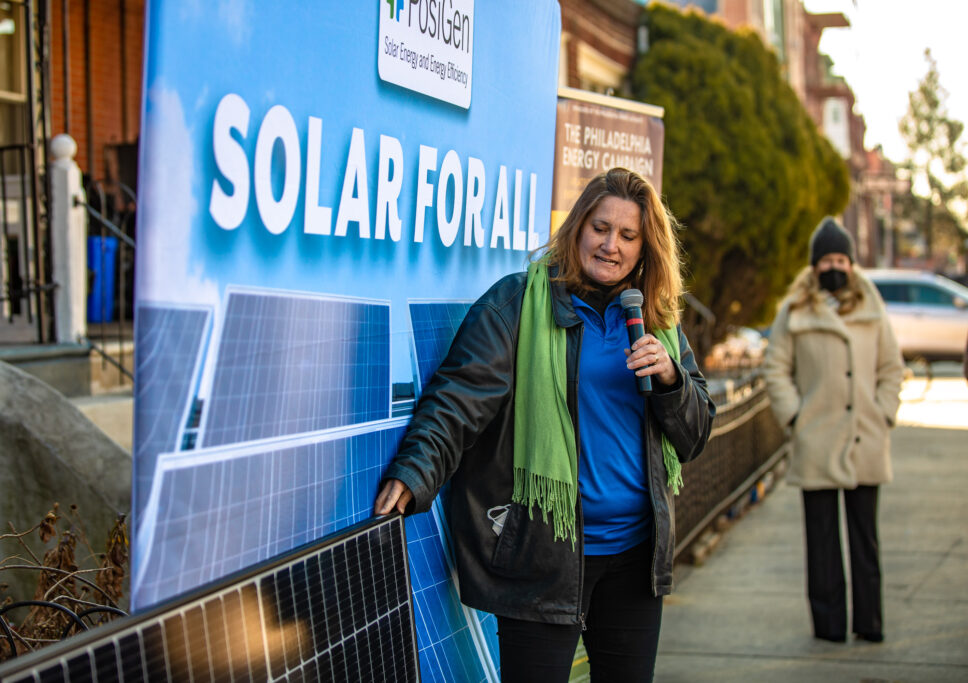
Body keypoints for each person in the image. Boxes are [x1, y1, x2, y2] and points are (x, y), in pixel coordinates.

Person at [374, 168, 715, 682]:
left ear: (645, 250)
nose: (610, 245)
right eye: (600, 228)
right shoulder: (516, 304)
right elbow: (459, 398)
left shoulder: (656, 321)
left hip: (635, 559)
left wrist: (671, 380)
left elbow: (695, 434)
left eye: (628, 235)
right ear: (577, 227)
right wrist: (416, 469)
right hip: (543, 556)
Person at [763, 217, 904, 644]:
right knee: (821, 542)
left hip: (865, 437)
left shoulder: (872, 307)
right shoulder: (795, 311)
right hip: (817, 438)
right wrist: (795, 418)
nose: (835, 267)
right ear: (815, 265)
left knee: (866, 541)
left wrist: (883, 412)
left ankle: (869, 623)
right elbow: (775, 369)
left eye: (842, 259)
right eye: (827, 260)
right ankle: (828, 628)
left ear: (853, 263)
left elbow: (892, 368)